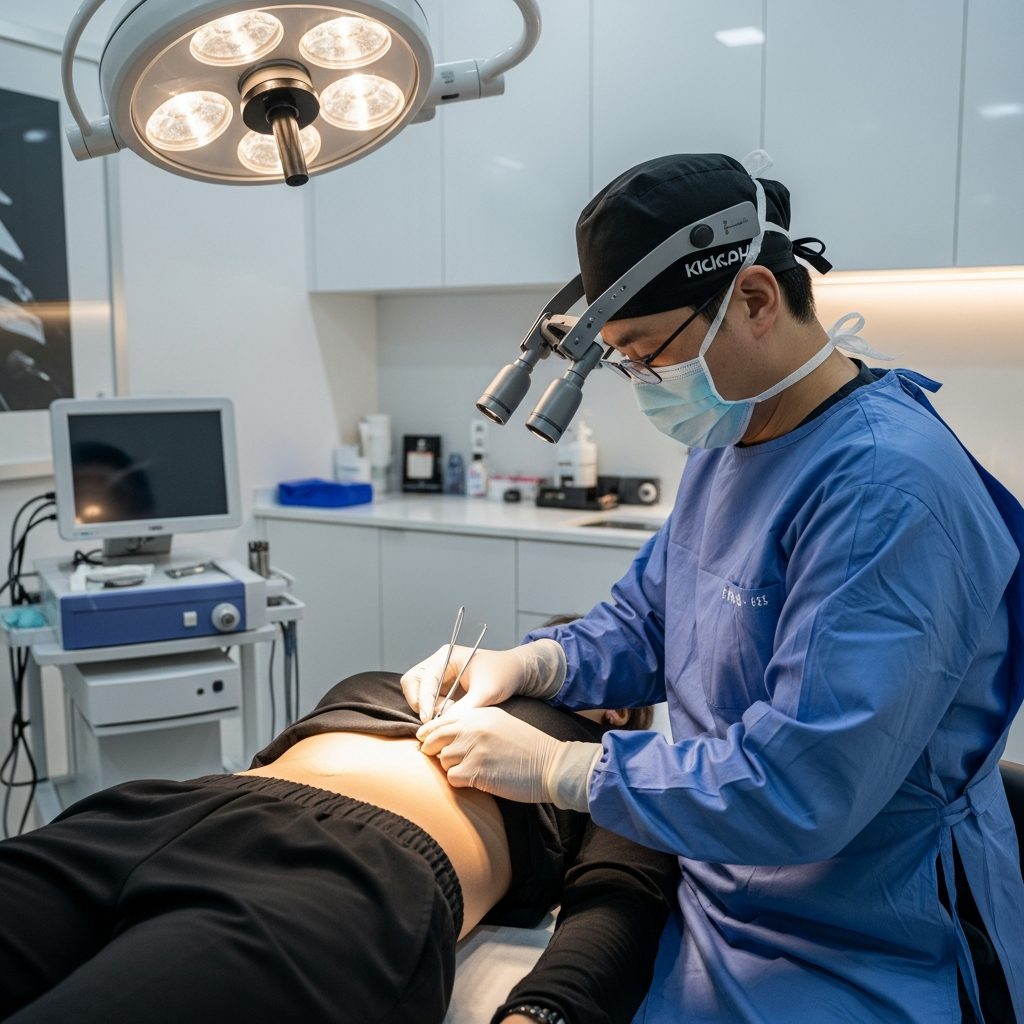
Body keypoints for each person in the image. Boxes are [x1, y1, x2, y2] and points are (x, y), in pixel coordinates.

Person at [406, 152, 1024, 1023]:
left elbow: (798, 787)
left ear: (757, 299)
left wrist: (560, 767)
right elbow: (656, 620)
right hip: (714, 884)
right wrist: (534, 664)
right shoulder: (732, 439)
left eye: (646, 355)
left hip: (865, 936)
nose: (646, 385)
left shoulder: (887, 489)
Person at [0, 669, 676, 1024]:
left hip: (341, 872)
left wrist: (544, 1012)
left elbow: (622, 900)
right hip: (158, 810)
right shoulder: (397, 682)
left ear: (615, 705)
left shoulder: (607, 763)